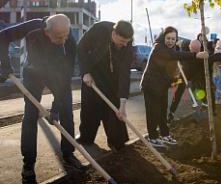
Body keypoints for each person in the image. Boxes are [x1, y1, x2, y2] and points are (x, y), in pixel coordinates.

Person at [0, 14, 88, 184]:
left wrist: (55, 107)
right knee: (30, 115)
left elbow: (67, 75)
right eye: (58, 37)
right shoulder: (32, 27)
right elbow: (2, 38)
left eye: (66, 35)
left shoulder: (69, 41)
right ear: (46, 31)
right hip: (33, 72)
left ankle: (68, 154)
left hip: (57, 74)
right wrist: (5, 64)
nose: (63, 40)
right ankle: (28, 163)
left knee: (66, 111)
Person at [140, 26, 209, 147]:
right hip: (150, 85)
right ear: (163, 37)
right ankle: (152, 137)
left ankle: (165, 135)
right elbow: (174, 55)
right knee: (153, 112)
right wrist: (196, 55)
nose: (170, 41)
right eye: (168, 38)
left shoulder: (170, 49)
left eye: (173, 38)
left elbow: (169, 66)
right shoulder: (159, 47)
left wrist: (174, 77)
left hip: (161, 86)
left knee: (162, 111)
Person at [76, 20, 134, 153]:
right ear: (113, 34)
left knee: (113, 108)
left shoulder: (127, 43)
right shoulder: (98, 29)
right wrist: (85, 72)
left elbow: (125, 72)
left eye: (127, 41)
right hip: (93, 71)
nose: (125, 44)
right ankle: (86, 137)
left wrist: (123, 105)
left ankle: (116, 142)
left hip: (113, 75)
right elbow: (80, 48)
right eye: (122, 41)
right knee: (89, 106)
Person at [168, 40, 221, 122]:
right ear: (189, 47)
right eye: (193, 48)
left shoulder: (203, 57)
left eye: (196, 49)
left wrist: (193, 81)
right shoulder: (185, 55)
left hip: (198, 75)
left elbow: (202, 72)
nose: (194, 51)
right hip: (185, 75)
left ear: (200, 48)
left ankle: (212, 110)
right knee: (178, 93)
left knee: (208, 90)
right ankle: (171, 113)